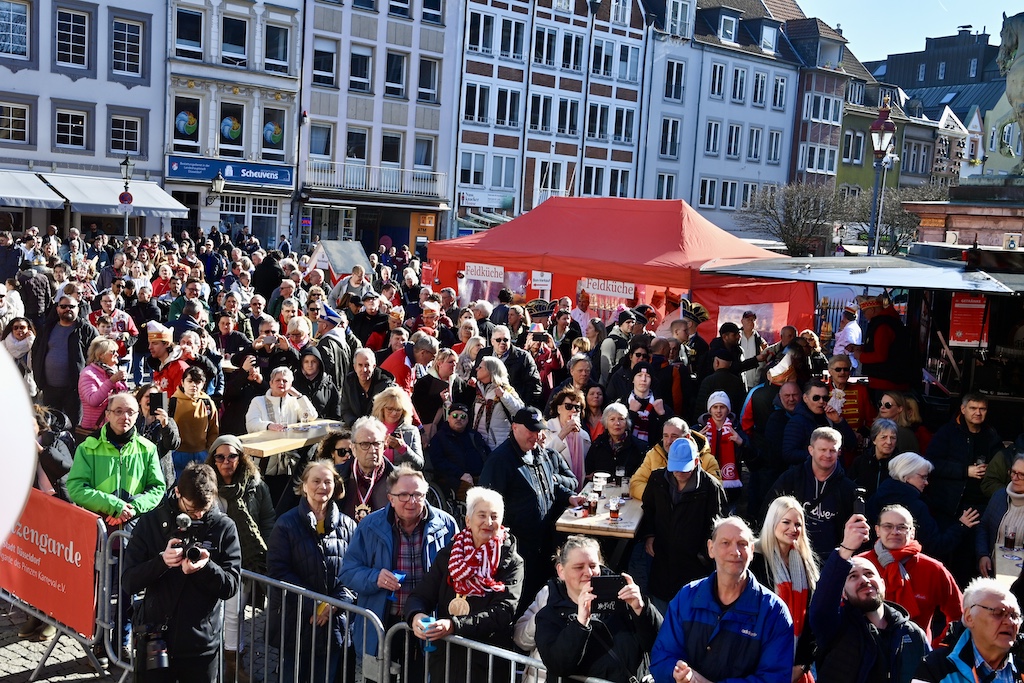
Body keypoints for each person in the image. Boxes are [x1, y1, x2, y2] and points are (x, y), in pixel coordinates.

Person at [121, 463, 241, 683]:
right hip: (157, 639)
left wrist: (205, 568)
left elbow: (231, 585)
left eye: (203, 510)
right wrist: (161, 562)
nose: (197, 515)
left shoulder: (224, 527)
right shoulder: (152, 522)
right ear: (177, 492)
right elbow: (128, 582)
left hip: (201, 646)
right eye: (191, 509)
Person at [649, 516, 794, 683]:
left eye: (742, 544)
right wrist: (676, 672)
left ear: (752, 551)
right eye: (725, 543)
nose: (735, 551)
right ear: (711, 548)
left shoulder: (774, 613)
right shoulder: (687, 597)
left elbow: (774, 678)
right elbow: (662, 655)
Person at [406, 487, 524, 681]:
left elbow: (503, 611)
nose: (488, 522)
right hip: (446, 661)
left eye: (494, 516)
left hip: (487, 665)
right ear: (468, 520)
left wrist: (454, 625)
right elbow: (420, 595)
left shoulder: (511, 561)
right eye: (482, 515)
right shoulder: (450, 554)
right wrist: (416, 616)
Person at [266, 460, 358, 683]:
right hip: (296, 622)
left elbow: (355, 571)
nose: (322, 487)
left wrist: (334, 605)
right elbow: (278, 572)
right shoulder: (285, 524)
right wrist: (315, 604)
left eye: (328, 482)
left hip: (334, 623)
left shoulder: (349, 526)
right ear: (304, 486)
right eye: (316, 481)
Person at [479, 407, 583, 603]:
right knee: (522, 599)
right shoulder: (500, 460)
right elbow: (486, 505)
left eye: (538, 431)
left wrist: (569, 497)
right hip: (519, 547)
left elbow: (550, 485)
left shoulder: (539, 453)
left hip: (545, 541)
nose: (536, 436)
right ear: (515, 427)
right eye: (531, 430)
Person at [808, 515, 929, 683]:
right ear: (842, 593)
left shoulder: (913, 634)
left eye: (869, 574)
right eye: (853, 577)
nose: (864, 580)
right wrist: (845, 550)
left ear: (883, 584)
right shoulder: (835, 628)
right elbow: (821, 607)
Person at [532, 535, 662, 682]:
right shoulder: (549, 616)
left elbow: (661, 643)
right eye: (579, 567)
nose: (588, 573)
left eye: (593, 566)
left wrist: (641, 609)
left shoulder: (624, 599)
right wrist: (580, 623)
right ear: (561, 571)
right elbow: (559, 666)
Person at [639, 435, 726, 612]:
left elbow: (717, 527)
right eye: (675, 467)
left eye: (683, 468)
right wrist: (649, 535)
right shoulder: (657, 479)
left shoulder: (711, 488)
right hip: (661, 561)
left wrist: (703, 556)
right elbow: (648, 509)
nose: (678, 472)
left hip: (693, 568)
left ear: (696, 461)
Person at [859, 504, 963, 647]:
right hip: (865, 651)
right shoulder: (861, 565)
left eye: (902, 527)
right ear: (877, 530)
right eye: (888, 526)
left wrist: (939, 648)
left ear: (912, 532)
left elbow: (959, 615)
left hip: (917, 658)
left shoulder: (933, 569)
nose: (895, 532)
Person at [751, 496, 819, 683]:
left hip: (797, 665)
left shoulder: (805, 563)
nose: (793, 529)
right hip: (758, 662)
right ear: (773, 522)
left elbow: (812, 617)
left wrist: (802, 664)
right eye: (786, 522)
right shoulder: (754, 560)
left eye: (798, 524)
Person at [867, 452, 980, 562]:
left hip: (876, 561)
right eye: (923, 477)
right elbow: (936, 545)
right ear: (906, 476)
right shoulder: (917, 506)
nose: (926, 483)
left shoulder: (876, 497)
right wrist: (961, 526)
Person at [767, 426, 858, 562]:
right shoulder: (790, 479)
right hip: (792, 556)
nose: (827, 455)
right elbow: (768, 513)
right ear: (811, 450)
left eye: (832, 450)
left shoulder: (848, 488)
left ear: (839, 452)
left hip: (831, 559)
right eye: (822, 449)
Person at [914, 578, 1023, 683]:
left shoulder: (1020, 668)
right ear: (969, 617)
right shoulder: (934, 668)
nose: (1009, 622)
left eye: (1014, 616)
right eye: (998, 613)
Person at [245, 366, 318, 501]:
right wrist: (268, 425)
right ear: (271, 383)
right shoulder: (258, 401)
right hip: (264, 467)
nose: (281, 384)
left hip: (287, 467)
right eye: (277, 380)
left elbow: (312, 416)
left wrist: (298, 395)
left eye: (285, 381)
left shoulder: (293, 402)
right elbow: (251, 424)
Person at [33, 294, 97, 427]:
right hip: (49, 388)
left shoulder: (86, 329)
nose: (67, 309)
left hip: (74, 390)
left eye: (71, 306)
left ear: (78, 309)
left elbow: (98, 354)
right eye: (63, 306)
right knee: (50, 424)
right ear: (57, 309)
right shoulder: (47, 328)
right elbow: (36, 352)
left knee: (74, 425)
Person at [782, 379, 858, 469]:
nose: (821, 401)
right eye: (816, 398)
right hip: (808, 476)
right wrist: (820, 455)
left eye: (825, 398)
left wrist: (839, 421)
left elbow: (851, 444)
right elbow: (788, 454)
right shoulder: (797, 421)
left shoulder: (829, 417)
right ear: (805, 398)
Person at [848, 294, 916, 394]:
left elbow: (880, 356)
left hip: (887, 382)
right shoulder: (886, 322)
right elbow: (879, 346)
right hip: (887, 380)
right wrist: (860, 347)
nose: (864, 315)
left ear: (872, 310)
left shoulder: (882, 326)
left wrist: (860, 356)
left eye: (865, 312)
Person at [696, 391, 748, 507]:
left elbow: (753, 457)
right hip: (705, 486)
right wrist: (696, 441)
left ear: (728, 410)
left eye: (722, 407)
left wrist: (741, 442)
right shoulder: (699, 429)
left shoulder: (736, 429)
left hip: (730, 490)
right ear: (710, 410)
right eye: (715, 407)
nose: (718, 411)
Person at [978, 452, 1024, 578]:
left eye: (1021, 475)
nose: (1015, 478)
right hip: (993, 573)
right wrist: (983, 555)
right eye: (1013, 472)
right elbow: (984, 527)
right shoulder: (999, 496)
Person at [170, 366, 219, 481]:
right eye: (190, 381)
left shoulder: (207, 402)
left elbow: (214, 429)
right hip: (178, 453)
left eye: (198, 382)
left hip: (201, 453)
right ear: (182, 382)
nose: (194, 385)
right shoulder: (172, 402)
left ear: (203, 384)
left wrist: (208, 450)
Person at [343, 416, 396, 522]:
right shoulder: (337, 477)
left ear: (384, 446)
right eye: (365, 444)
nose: (372, 450)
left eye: (377, 444)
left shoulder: (398, 479)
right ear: (353, 449)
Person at [77, 337, 129, 438]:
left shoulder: (111, 371)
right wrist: (111, 381)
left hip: (113, 427)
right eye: (113, 352)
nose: (117, 355)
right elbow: (93, 401)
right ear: (101, 355)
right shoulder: (88, 373)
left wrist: (122, 382)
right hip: (95, 429)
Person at [472, 355, 526, 449]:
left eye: (480, 367)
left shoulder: (505, 389)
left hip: (498, 445)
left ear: (490, 370)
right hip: (478, 443)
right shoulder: (478, 389)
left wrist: (504, 396)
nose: (476, 369)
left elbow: (520, 411)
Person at [586, 403, 647, 480]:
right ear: (606, 423)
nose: (617, 423)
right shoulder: (597, 445)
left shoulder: (639, 447)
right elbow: (589, 473)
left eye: (621, 419)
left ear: (627, 422)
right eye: (612, 419)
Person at [543, 386, 590, 486]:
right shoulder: (546, 429)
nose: (573, 410)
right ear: (559, 409)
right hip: (556, 485)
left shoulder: (584, 436)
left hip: (578, 490)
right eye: (568, 406)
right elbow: (544, 457)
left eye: (577, 408)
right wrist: (563, 434)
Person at [371, 386, 424, 469]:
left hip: (401, 478)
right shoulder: (371, 428)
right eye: (390, 409)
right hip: (375, 477)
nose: (394, 413)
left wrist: (403, 448)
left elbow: (419, 464)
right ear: (381, 408)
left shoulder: (412, 431)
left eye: (398, 409)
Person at [340, 348, 396, 426]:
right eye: (360, 365)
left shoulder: (386, 385)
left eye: (367, 365)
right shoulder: (349, 381)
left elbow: (390, 415)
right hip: (355, 428)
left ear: (374, 366)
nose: (364, 369)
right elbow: (345, 410)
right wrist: (356, 424)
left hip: (379, 430)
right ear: (354, 367)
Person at [848, 418, 900, 498]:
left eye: (893, 438)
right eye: (884, 437)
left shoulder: (901, 464)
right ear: (874, 440)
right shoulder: (860, 462)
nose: (889, 442)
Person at [293, 346, 341, 421]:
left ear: (319, 363)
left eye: (313, 361)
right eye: (306, 361)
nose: (310, 365)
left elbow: (336, 409)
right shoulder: (294, 382)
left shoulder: (328, 383)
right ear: (301, 363)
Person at [832, 303, 862, 372]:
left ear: (844, 316)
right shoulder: (852, 327)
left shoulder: (849, 329)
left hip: (844, 363)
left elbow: (849, 346)